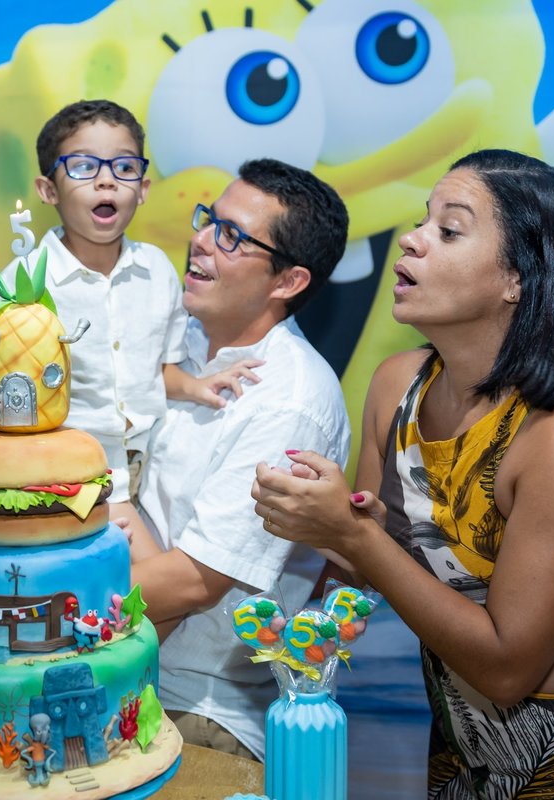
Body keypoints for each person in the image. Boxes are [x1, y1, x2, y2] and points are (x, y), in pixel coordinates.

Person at [252, 149, 554, 797]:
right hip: (462, 751)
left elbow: (509, 669)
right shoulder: (398, 385)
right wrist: (306, 629)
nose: (412, 240)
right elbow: (367, 552)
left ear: (518, 277)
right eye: (423, 221)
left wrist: (349, 533)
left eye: (448, 230)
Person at [126, 157, 351, 761]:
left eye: (231, 236)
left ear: (287, 282)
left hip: (192, 706)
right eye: (208, 220)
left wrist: (33, 605)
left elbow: (194, 581)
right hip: (119, 667)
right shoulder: (181, 341)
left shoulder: (290, 400)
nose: (200, 240)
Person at [0, 99, 258, 516]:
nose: (106, 182)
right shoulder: (23, 281)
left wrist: (197, 386)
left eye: (123, 167)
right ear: (48, 190)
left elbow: (160, 369)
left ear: (143, 189)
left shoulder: (156, 269)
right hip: (57, 472)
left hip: (139, 470)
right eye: (84, 166)